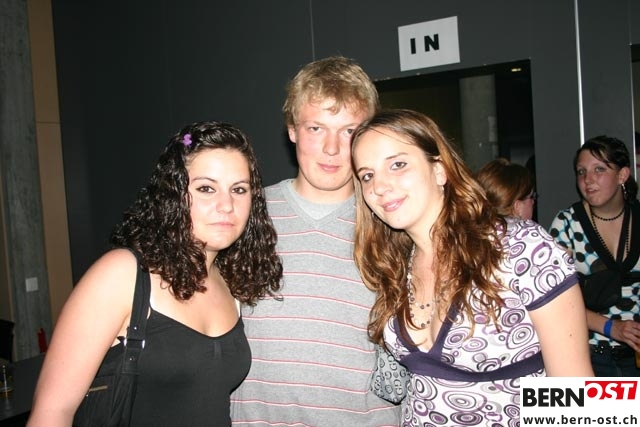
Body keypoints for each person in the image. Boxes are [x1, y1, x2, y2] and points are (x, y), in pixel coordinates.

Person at [27, 121, 283, 426]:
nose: (226, 205)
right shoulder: (122, 275)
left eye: (239, 189)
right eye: (206, 188)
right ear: (173, 194)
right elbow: (51, 413)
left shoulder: (230, 282)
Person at [351, 109, 593, 426]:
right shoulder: (393, 263)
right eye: (367, 175)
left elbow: (577, 391)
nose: (380, 186)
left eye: (397, 164)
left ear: (440, 170)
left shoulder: (521, 247)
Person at [230, 57, 401, 426]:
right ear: (292, 130)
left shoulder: (393, 221)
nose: (332, 148)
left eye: (349, 130)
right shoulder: (244, 214)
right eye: (316, 128)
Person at [549, 135, 640, 377]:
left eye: (599, 169)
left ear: (622, 175)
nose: (588, 179)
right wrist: (611, 327)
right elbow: (556, 301)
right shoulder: (567, 223)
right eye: (581, 172)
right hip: (591, 355)